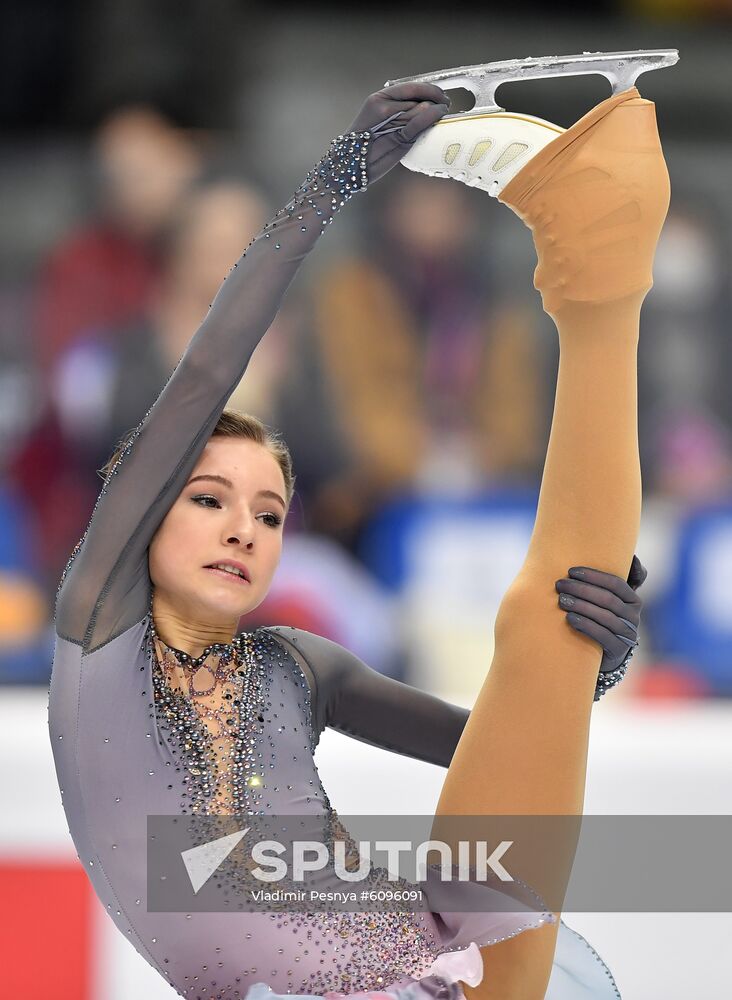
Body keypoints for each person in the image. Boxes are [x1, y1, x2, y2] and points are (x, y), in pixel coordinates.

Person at [48, 80, 665, 1000]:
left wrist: (588, 668)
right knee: (540, 630)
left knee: (548, 625)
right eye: (209, 500)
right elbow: (208, 375)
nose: (242, 530)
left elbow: (503, 750)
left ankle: (599, 258)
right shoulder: (100, 626)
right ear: (143, 513)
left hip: (439, 967)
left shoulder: (300, 667)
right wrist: (332, 184)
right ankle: (600, 263)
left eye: (268, 515)